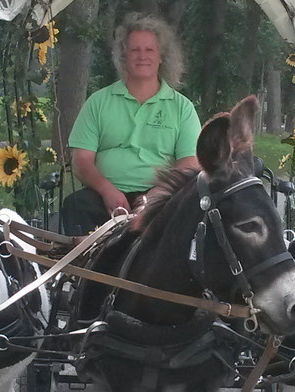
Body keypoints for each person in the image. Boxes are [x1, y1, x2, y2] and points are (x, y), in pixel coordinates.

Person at [60, 13, 202, 234]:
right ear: (124, 56)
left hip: (163, 198)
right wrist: (107, 190)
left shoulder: (182, 108)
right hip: (103, 198)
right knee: (75, 205)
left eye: (149, 50)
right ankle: (82, 270)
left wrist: (155, 195)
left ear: (162, 56)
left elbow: (190, 164)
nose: (142, 56)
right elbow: (81, 161)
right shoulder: (98, 102)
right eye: (135, 50)